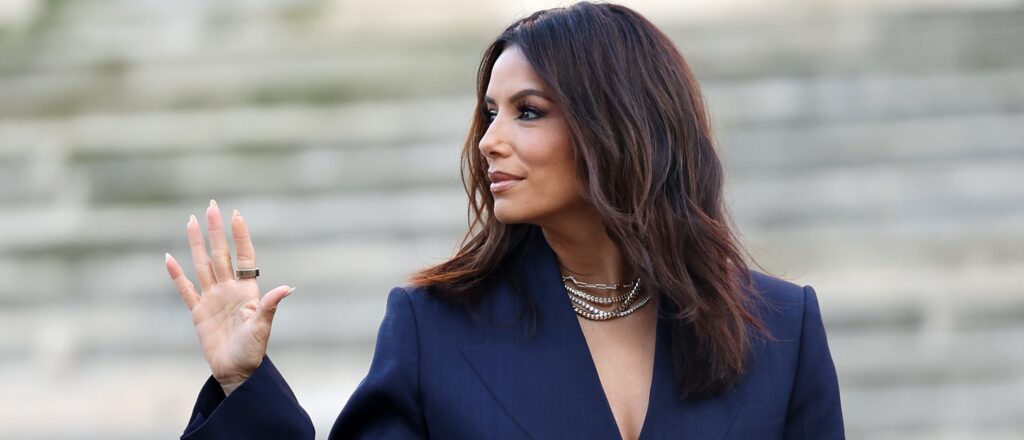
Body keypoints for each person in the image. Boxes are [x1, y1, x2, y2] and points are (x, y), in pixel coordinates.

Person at [164, 2, 844, 439]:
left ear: (619, 126)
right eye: (490, 112)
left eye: (528, 111)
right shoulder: (432, 327)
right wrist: (242, 385)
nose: (490, 139)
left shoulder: (782, 329)